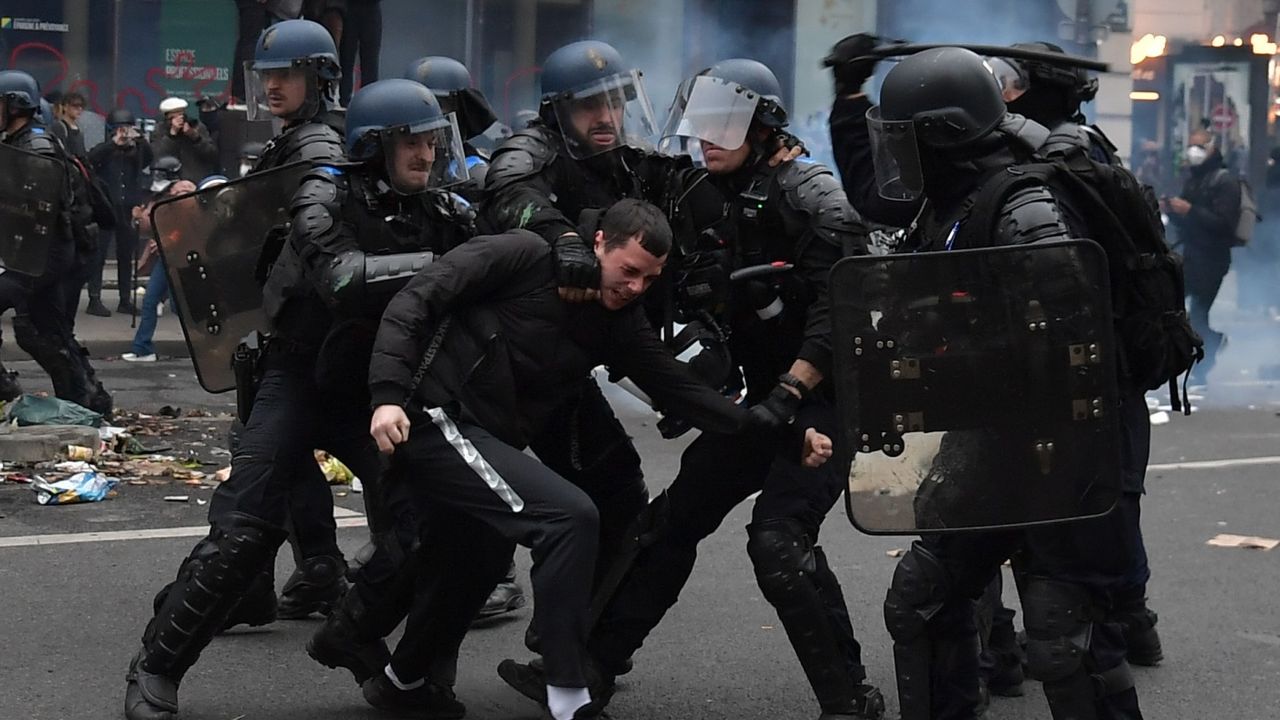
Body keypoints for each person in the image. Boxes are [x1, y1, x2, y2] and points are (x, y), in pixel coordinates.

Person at [499, 58, 885, 720]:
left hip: (828, 399)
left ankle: (849, 700)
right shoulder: (695, 190)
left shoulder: (810, 196)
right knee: (665, 526)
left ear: (763, 128)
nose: (707, 135)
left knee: (779, 543)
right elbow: (570, 180)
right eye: (700, 119)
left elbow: (848, 303)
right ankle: (588, 670)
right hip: (762, 398)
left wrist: (793, 391)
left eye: (725, 122)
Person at [362, 198, 824, 720]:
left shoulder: (619, 320)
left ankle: (402, 682)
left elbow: (684, 392)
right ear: (599, 242)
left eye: (649, 281)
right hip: (427, 418)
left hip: (481, 441)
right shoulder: (522, 255)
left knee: (480, 554)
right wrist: (387, 397)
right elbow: (416, 299)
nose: (634, 289)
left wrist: (785, 433)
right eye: (629, 271)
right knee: (568, 516)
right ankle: (568, 695)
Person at [122, 76, 474, 720]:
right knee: (245, 532)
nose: (427, 155)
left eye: (432, 141)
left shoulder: (442, 211)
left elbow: (492, 263)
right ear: (374, 146)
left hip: (375, 387)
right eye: (411, 143)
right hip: (296, 378)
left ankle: (382, 655)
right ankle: (156, 668)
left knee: (436, 525)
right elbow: (341, 278)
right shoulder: (324, 193)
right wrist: (441, 267)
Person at [862, 47, 1147, 720]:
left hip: (1063, 450)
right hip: (994, 446)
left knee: (1063, 641)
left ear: (938, 135)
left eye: (900, 138)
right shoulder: (955, 199)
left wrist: (954, 360)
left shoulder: (1027, 208)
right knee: (921, 600)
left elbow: (1071, 350)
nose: (893, 155)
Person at [0, 70, 113, 415]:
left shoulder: (37, 148)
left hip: (39, 257)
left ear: (16, 105)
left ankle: (6, 390)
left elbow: (33, 213)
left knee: (43, 329)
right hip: (33, 255)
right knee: (46, 331)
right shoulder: (19, 144)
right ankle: (88, 402)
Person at [1164, 129, 1239, 385]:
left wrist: (1191, 210)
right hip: (1192, 255)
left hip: (1212, 259)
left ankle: (1203, 365)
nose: (1192, 151)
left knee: (1198, 313)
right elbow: (1188, 223)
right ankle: (1209, 346)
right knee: (1175, 308)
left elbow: (1224, 223)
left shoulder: (1225, 181)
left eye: (1199, 146)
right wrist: (1173, 211)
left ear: (1212, 148)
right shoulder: (1195, 179)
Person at [123, 170, 214, 363]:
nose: (180, 192)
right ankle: (142, 347)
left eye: (185, 190)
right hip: (166, 261)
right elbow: (149, 229)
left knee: (178, 306)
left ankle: (207, 342)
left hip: (182, 260)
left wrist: (167, 241)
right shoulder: (165, 206)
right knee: (150, 300)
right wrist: (138, 219)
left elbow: (188, 233)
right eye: (177, 190)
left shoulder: (195, 210)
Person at [87, 108, 153, 317]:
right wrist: (114, 143)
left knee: (126, 255)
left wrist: (140, 140)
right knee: (99, 255)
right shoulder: (105, 149)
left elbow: (149, 159)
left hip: (129, 208)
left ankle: (125, 298)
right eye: (119, 129)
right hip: (106, 206)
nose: (124, 133)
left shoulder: (136, 152)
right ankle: (94, 298)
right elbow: (92, 160)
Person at [150, 97, 220, 182]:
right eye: (173, 117)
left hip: (195, 180)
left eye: (180, 115)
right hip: (169, 181)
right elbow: (158, 155)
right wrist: (172, 135)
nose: (178, 120)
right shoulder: (160, 130)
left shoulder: (197, 126)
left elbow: (211, 154)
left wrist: (195, 137)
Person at [338, 0, 382, 105]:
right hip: (349, 7)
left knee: (370, 60)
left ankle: (368, 101)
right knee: (346, 59)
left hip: (372, 8)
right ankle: (344, 101)